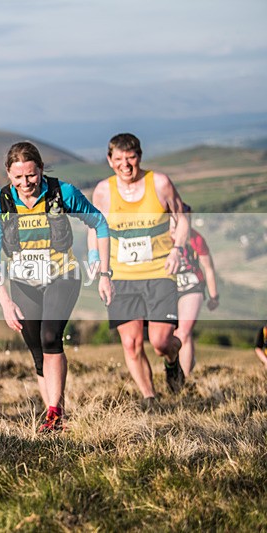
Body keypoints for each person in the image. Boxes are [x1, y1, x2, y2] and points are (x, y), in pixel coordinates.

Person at [0, 141, 113, 433]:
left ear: (40, 169)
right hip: (23, 283)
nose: (25, 183)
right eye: (18, 178)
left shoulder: (61, 193)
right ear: (8, 174)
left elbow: (100, 223)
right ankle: (56, 416)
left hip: (62, 276)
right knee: (38, 353)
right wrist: (5, 302)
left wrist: (101, 267)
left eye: (31, 175)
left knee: (51, 337)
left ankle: (54, 412)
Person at [88, 133, 188, 407]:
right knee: (131, 343)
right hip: (121, 275)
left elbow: (182, 218)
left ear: (139, 156)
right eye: (118, 159)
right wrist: (97, 261)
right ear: (109, 161)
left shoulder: (160, 183)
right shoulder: (103, 191)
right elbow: (95, 229)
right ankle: (150, 398)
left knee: (160, 341)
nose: (125, 164)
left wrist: (178, 248)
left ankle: (172, 356)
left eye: (130, 157)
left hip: (159, 271)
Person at [172, 204, 220, 378]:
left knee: (183, 331)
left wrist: (214, 296)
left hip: (192, 287)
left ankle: (184, 379)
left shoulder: (196, 239)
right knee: (173, 333)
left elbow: (208, 268)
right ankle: (179, 365)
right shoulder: (162, 238)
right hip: (169, 290)